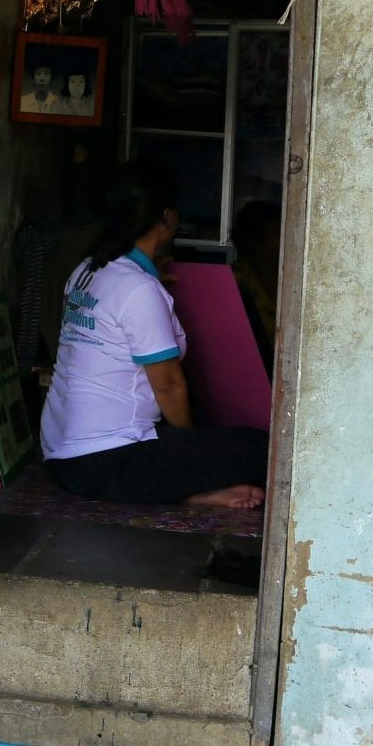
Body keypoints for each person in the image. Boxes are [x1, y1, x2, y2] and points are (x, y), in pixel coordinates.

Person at [40, 164, 267, 509]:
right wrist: (195, 461)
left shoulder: (88, 268)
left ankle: (187, 491)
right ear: (166, 216)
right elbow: (168, 386)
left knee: (210, 427)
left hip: (60, 455)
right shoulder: (138, 289)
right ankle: (189, 488)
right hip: (108, 462)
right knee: (265, 452)